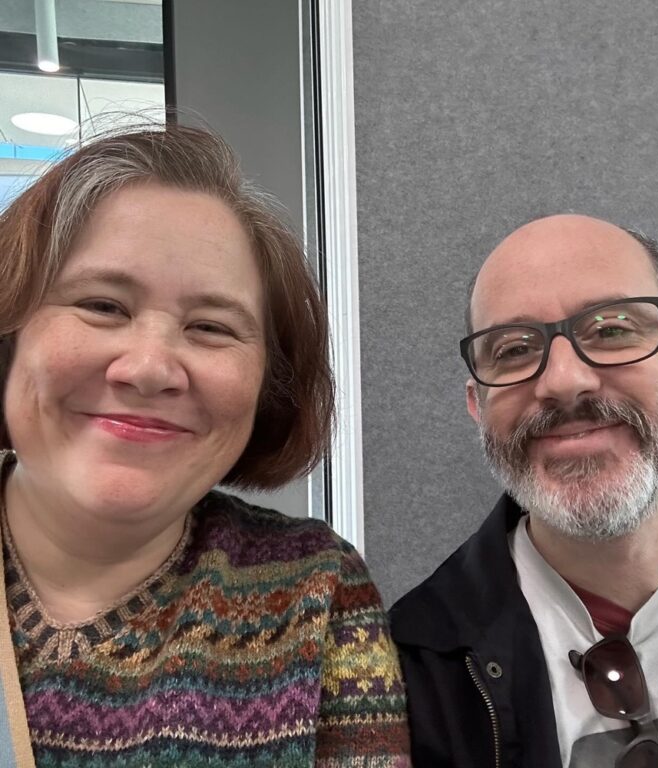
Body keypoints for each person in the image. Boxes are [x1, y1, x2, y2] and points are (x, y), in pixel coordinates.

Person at [0, 125, 410, 767]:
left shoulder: (312, 588)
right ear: (10, 334)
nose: (150, 368)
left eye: (212, 327)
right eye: (103, 306)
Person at [390, 213, 658, 768]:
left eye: (612, 329)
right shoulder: (413, 671)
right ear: (479, 408)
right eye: (513, 349)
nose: (564, 380)